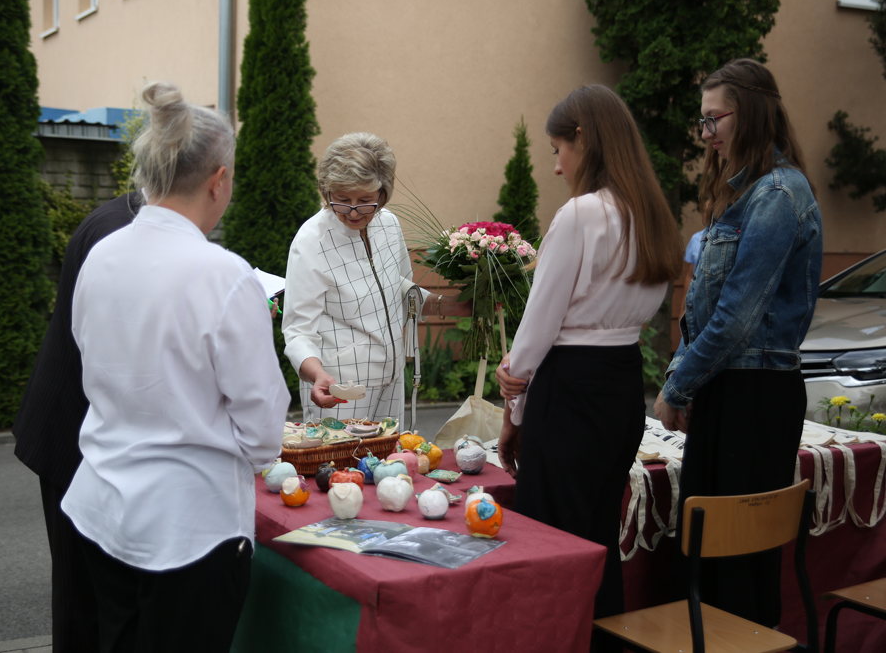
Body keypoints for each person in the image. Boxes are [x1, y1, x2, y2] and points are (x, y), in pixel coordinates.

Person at [60, 82, 288, 652]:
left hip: (102, 506)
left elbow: (90, 359)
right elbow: (263, 430)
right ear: (219, 180)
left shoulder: (101, 254)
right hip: (189, 529)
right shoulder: (224, 275)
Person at [494, 85, 684, 633]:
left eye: (558, 150)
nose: (557, 167)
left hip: (571, 389)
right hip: (622, 384)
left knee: (553, 541)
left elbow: (541, 320)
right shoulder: (650, 214)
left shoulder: (582, 214)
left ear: (583, 138)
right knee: (598, 533)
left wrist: (514, 401)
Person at [653, 58, 822, 628]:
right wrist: (688, 378)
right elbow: (703, 311)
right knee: (711, 558)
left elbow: (736, 318)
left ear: (747, 112)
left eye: (713, 119)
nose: (706, 133)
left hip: (756, 395)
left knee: (736, 565)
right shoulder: (746, 191)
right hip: (731, 389)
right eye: (703, 121)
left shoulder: (778, 194)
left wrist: (676, 386)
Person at [12, 190, 142, 653]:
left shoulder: (126, 216)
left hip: (80, 426)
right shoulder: (121, 234)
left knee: (88, 597)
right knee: (82, 600)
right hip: (75, 433)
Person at [282, 132, 470, 425]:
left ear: (383, 194)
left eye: (365, 200)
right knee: (342, 456)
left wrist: (452, 305)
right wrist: (316, 374)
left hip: (392, 380)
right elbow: (297, 330)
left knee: (389, 455)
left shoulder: (389, 225)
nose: (353, 212)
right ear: (326, 190)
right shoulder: (311, 241)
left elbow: (401, 291)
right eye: (342, 199)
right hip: (338, 387)